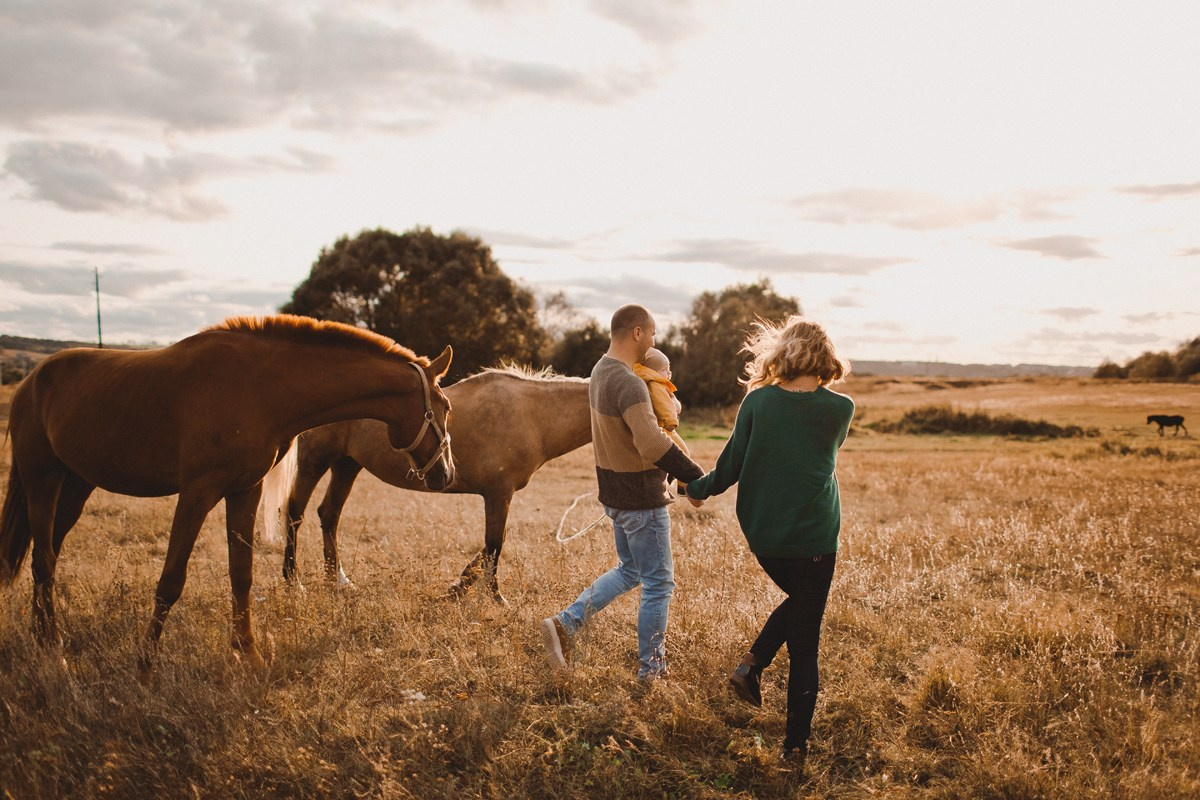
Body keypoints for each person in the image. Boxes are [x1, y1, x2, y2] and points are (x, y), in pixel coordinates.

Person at [685, 315, 853, 765]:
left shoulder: (757, 403)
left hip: (767, 538)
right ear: (825, 358)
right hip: (816, 536)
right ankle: (795, 745)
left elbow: (730, 466)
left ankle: (753, 665)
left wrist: (695, 490)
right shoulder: (842, 409)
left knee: (801, 602)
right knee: (805, 638)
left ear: (783, 353)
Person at [541, 304, 705, 682]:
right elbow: (649, 441)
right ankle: (652, 671)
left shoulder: (601, 371)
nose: (652, 342)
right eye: (651, 334)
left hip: (615, 494)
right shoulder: (629, 382)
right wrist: (693, 478)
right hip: (640, 498)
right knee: (659, 583)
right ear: (636, 333)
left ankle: (566, 623)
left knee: (631, 569)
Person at [632, 347, 690, 495]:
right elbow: (663, 405)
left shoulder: (650, 382)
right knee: (683, 453)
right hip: (663, 427)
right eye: (665, 369)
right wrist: (670, 422)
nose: (669, 373)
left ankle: (668, 484)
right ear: (653, 371)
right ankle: (684, 487)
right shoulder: (656, 384)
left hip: (658, 427)